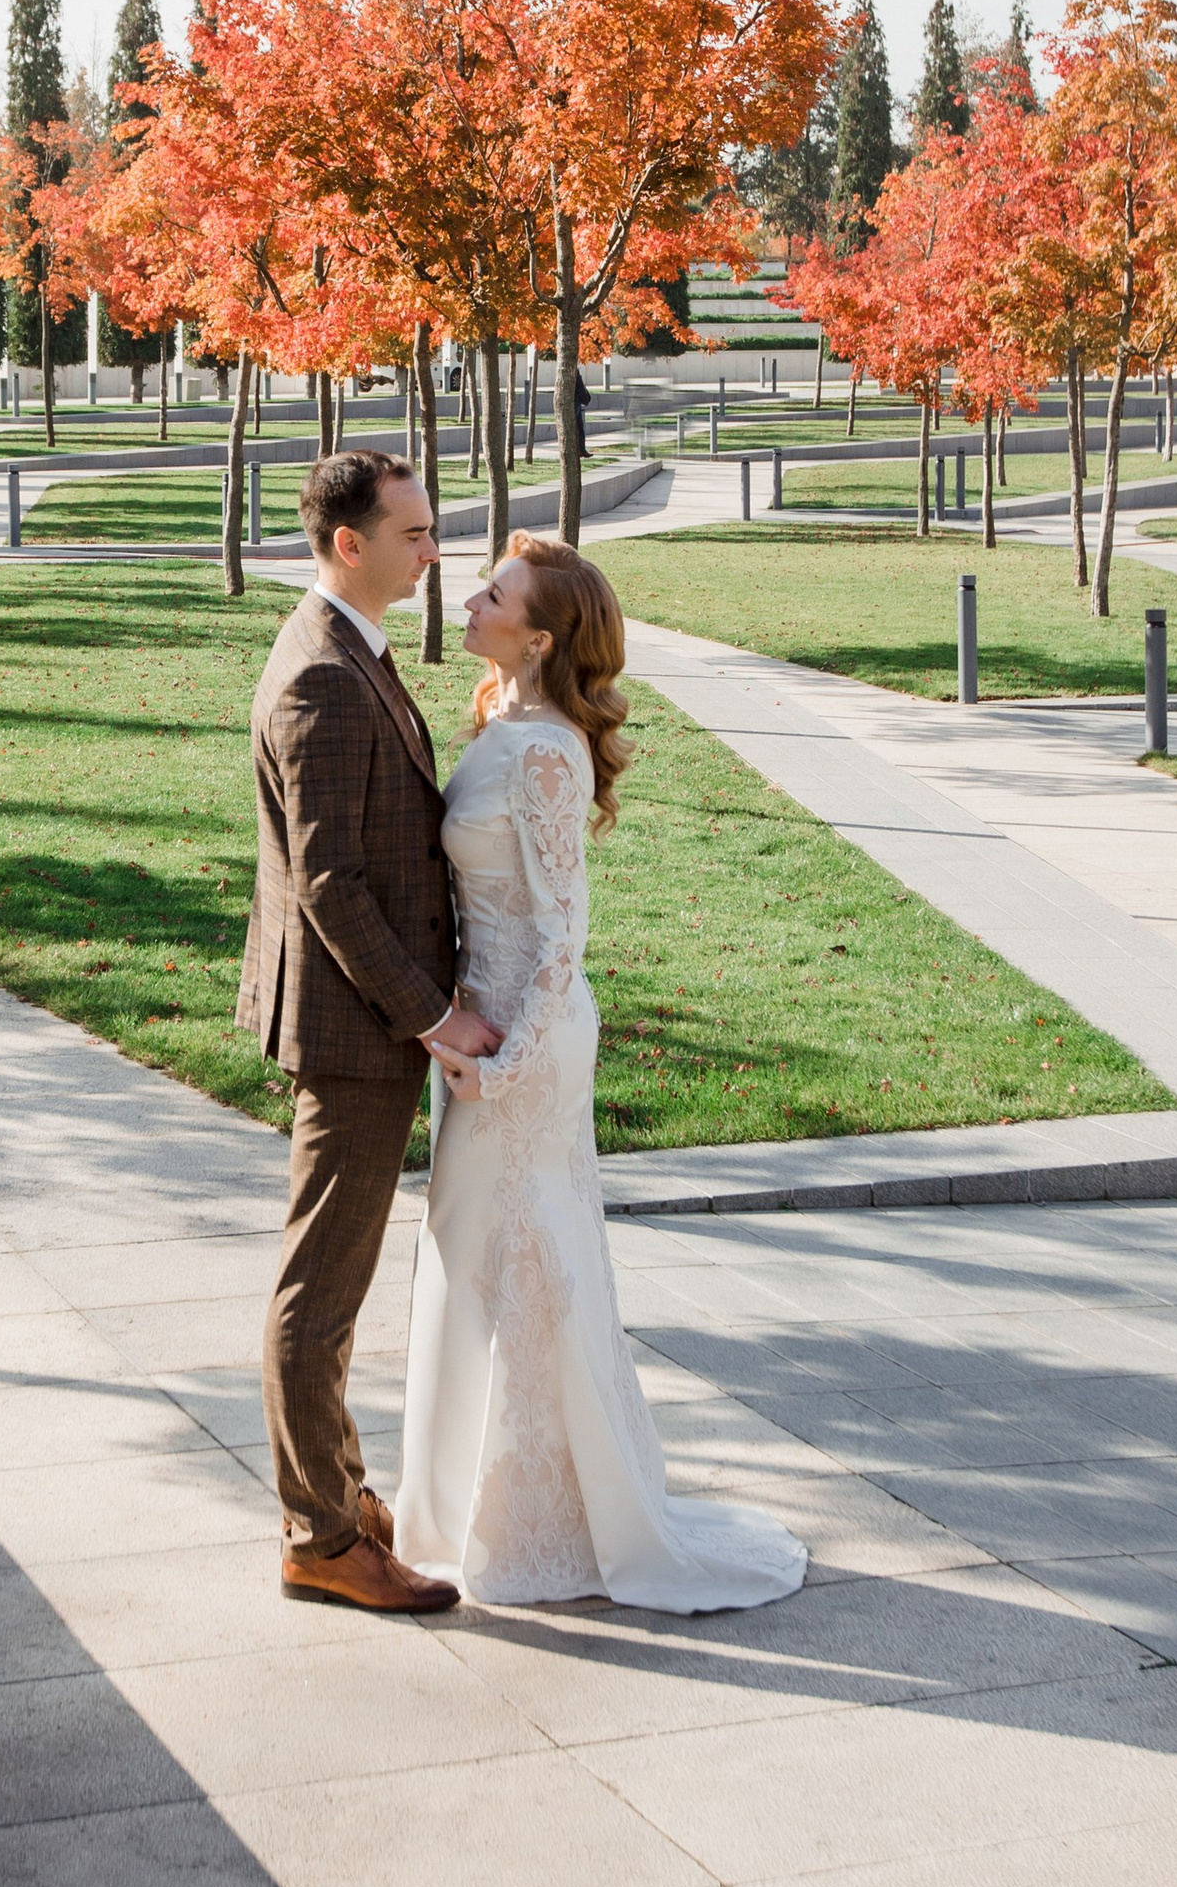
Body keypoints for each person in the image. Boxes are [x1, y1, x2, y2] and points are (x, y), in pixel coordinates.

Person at [394, 532, 808, 1614]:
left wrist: (513, 1056)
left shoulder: (541, 754)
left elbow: (562, 927)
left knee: (525, 1262)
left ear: (536, 638)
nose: (470, 597)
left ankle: (545, 1517)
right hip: (481, 1030)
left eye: (494, 593)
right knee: (475, 1252)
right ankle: (467, 1505)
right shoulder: (501, 721)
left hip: (523, 1039)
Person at [238, 449, 501, 1613]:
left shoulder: (355, 651)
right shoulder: (320, 680)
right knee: (321, 1292)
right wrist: (436, 1015)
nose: (432, 548)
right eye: (414, 532)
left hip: (359, 1020)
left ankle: (339, 1495)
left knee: (330, 1282)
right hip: (351, 1030)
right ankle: (320, 1535)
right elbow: (332, 884)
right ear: (350, 543)